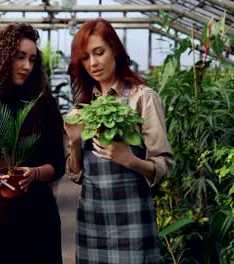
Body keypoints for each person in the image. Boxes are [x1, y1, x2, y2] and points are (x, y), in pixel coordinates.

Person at [64, 18, 174, 263]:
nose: (93, 63)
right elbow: (77, 176)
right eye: (85, 57)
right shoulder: (85, 107)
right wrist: (73, 142)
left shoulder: (142, 98)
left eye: (99, 52)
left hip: (132, 218)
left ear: (114, 48)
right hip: (92, 219)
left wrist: (129, 159)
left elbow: (164, 165)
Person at [0, 24, 65, 264]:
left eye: (32, 59)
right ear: (2, 57)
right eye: (20, 57)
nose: (27, 66)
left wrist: (35, 173)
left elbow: (57, 165)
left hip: (38, 219)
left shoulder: (43, 104)